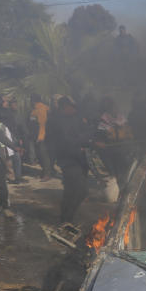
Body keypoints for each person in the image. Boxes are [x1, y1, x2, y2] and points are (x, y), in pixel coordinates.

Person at [47, 96, 95, 224]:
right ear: (64, 107)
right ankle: (66, 219)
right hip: (68, 161)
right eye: (71, 107)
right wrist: (82, 141)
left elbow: (89, 132)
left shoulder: (77, 118)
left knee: (78, 191)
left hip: (81, 160)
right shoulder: (56, 121)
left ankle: (67, 217)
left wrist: (85, 141)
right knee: (76, 190)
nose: (74, 109)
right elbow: (66, 141)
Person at [30, 94, 53, 180]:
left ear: (33, 101)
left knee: (44, 155)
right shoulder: (35, 109)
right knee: (40, 155)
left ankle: (47, 174)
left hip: (41, 136)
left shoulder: (41, 109)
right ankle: (44, 172)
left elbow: (42, 124)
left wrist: (40, 136)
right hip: (36, 135)